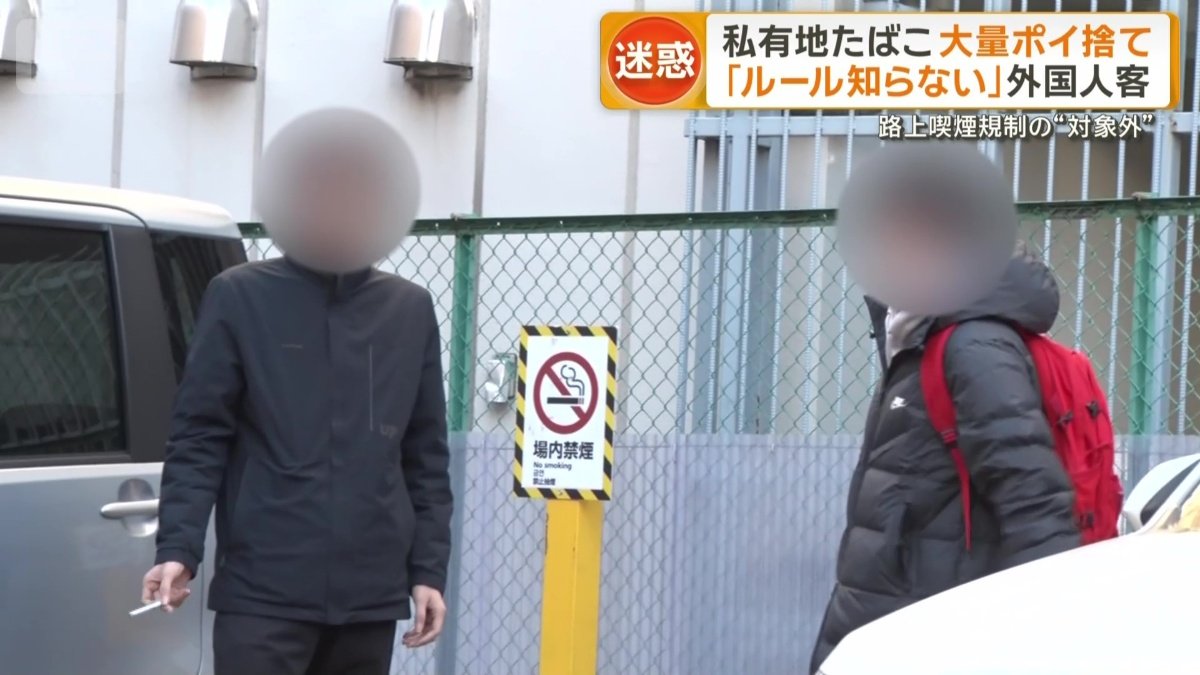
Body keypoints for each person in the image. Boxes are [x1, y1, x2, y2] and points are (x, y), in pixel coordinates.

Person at [141, 109, 452, 675]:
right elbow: (200, 436)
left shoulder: (408, 310)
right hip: (263, 592)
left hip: (369, 596)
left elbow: (425, 455)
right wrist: (178, 548)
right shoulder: (240, 297)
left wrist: (428, 570)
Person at [809, 243, 1082, 674]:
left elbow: (1034, 502)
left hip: (932, 625)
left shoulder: (973, 346)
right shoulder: (917, 337)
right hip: (894, 609)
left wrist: (1045, 640)